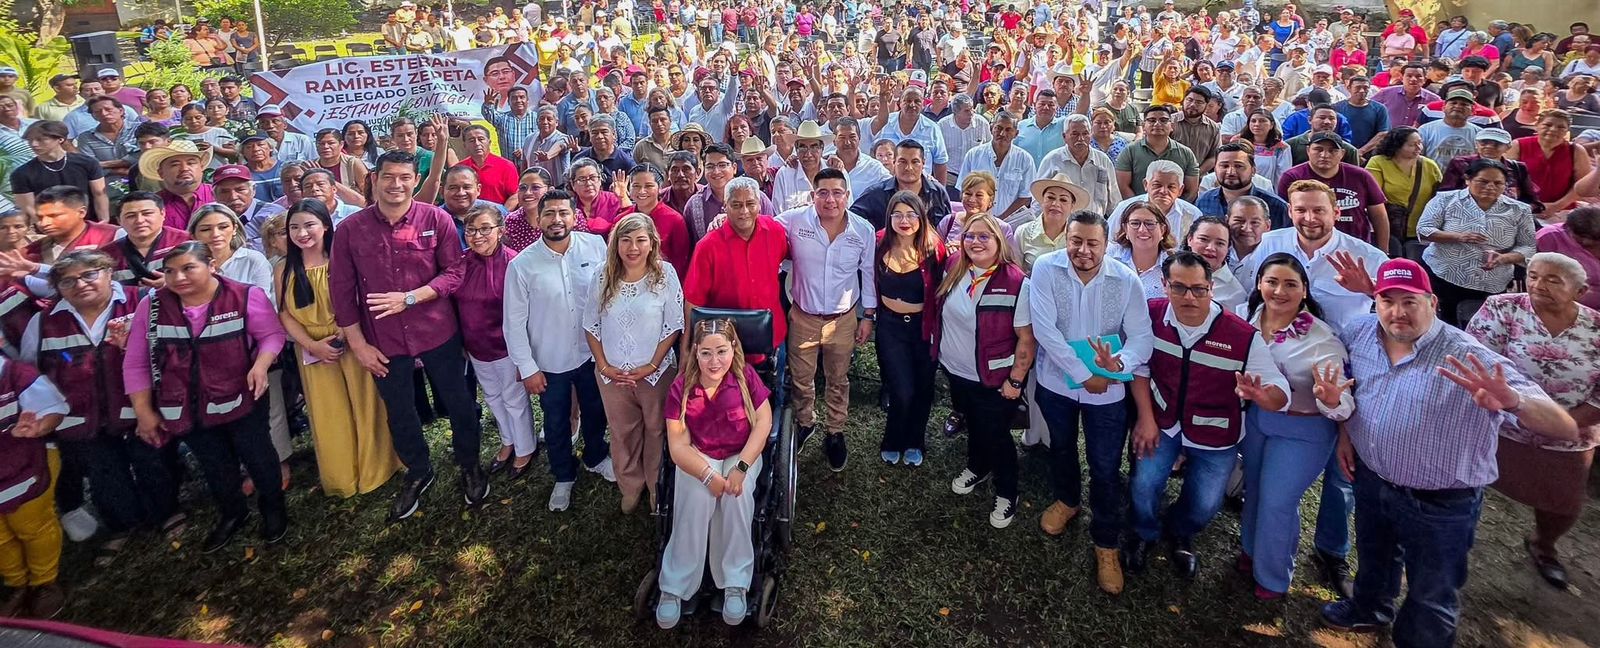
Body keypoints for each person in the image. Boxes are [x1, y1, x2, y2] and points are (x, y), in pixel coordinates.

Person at [1319, 257, 1577, 646]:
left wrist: (1513, 402)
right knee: (1375, 557)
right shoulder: (1359, 332)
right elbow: (1351, 391)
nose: (1398, 312)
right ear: (1375, 301)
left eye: (1410, 302)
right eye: (1388, 301)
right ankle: (1369, 609)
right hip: (1373, 480)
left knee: (1431, 593)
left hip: (1441, 503)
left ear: (1433, 303)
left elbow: (1564, 426)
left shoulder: (1469, 357)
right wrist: (1344, 433)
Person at [328, 151, 488, 521]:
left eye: (404, 177)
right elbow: (341, 291)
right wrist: (359, 345)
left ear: (415, 180)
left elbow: (453, 273)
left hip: (438, 332)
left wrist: (412, 297)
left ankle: (469, 464)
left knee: (461, 405)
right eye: (388, 176)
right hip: (383, 341)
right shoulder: (352, 230)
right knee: (400, 412)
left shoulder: (437, 219)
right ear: (374, 179)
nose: (396, 184)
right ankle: (419, 470)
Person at [1125, 250, 1290, 580]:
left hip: (1217, 434)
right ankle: (1143, 532)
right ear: (1164, 285)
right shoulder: (1150, 317)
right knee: (1143, 484)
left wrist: (1262, 395)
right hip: (1162, 423)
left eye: (1198, 289)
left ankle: (1180, 530)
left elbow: (1279, 390)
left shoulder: (1242, 337)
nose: (1189, 297)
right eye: (1178, 288)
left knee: (1204, 505)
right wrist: (1144, 417)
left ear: (1212, 288)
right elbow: (1139, 366)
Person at [123, 241, 286, 552]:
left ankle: (274, 506)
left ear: (212, 266)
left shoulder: (243, 295)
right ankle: (232, 512)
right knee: (214, 462)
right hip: (184, 401)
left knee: (258, 454)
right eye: (170, 272)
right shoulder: (152, 306)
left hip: (242, 393)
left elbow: (271, 334)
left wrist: (261, 365)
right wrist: (143, 410)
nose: (179, 278)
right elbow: (136, 360)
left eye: (188, 268)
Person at [1029, 209, 1151, 593]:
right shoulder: (1047, 270)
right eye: (1075, 241)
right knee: (1061, 447)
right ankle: (1067, 500)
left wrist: (1117, 365)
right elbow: (1045, 330)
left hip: (1109, 391)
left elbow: (1142, 337)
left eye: (1092, 243)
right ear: (1065, 238)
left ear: (1107, 243)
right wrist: (1085, 375)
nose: (1082, 250)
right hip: (1057, 384)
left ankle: (1105, 542)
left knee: (1104, 464)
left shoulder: (1125, 279)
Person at [1460, 254, 1597, 590]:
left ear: (1581, 291)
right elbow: (1476, 358)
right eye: (1534, 276)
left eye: (1553, 280)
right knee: (1463, 484)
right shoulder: (1502, 308)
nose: (1538, 285)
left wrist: (1558, 422)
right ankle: (1455, 537)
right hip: (1500, 422)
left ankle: (1544, 545)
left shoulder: (1596, 329)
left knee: (1564, 501)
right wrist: (1520, 413)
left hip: (1570, 432)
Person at [1236, 253, 1354, 600]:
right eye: (1271, 281)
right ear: (1259, 284)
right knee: (1254, 489)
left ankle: (1273, 577)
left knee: (1277, 500)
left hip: (1305, 430)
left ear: (1304, 291)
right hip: (1258, 420)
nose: (1279, 291)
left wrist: (1330, 397)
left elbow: (1342, 401)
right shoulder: (1247, 317)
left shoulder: (1322, 339)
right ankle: (1251, 550)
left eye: (1290, 284)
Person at [653, 317, 773, 629]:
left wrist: (741, 468)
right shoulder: (682, 387)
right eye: (706, 353)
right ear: (694, 352)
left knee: (737, 497)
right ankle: (675, 585)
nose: (714, 361)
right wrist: (708, 476)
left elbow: (764, 424)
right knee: (694, 498)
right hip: (699, 455)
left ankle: (735, 581)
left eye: (721, 351)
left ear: (734, 348)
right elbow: (677, 445)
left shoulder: (746, 378)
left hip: (740, 453)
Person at [275, 199, 399, 497]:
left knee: (364, 402)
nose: (302, 233)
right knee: (328, 412)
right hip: (313, 349)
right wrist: (311, 345)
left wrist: (346, 336)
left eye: (309, 225)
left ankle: (376, 467)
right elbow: (284, 314)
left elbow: (357, 299)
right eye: (294, 227)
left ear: (326, 226)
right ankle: (342, 474)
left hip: (350, 338)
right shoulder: (283, 268)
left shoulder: (341, 259)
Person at [503, 189, 616, 511]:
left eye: (563, 213)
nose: (557, 220)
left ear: (574, 216)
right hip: (549, 362)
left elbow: (609, 293)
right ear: (538, 219)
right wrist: (528, 368)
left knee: (596, 413)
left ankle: (595, 456)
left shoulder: (595, 246)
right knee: (555, 422)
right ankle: (563, 475)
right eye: (549, 213)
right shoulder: (523, 265)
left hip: (591, 355)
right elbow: (513, 323)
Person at [933, 212, 1035, 529]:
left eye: (983, 236)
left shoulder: (1016, 281)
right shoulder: (954, 268)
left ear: (998, 241)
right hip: (956, 370)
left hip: (995, 379)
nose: (975, 241)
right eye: (969, 235)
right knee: (974, 425)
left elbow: (1026, 340)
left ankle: (1007, 491)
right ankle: (978, 466)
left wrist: (1015, 381)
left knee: (996, 434)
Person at [583, 213, 684, 512]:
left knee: (655, 429)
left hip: (654, 373)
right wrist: (604, 366)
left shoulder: (665, 274)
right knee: (622, 430)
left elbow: (674, 323)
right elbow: (591, 324)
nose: (633, 247)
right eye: (625, 240)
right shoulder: (603, 275)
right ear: (615, 244)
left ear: (652, 243)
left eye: (641, 240)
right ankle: (630, 484)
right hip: (611, 372)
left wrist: (652, 365)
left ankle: (655, 484)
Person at [781, 168, 874, 471]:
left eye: (837, 192)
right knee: (801, 378)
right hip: (803, 316)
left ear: (847, 196)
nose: (830, 199)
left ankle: (835, 431)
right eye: (823, 192)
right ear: (813, 196)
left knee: (838, 379)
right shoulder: (795, 221)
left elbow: (869, 274)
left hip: (843, 318)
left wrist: (868, 316)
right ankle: (805, 422)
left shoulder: (862, 231)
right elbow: (760, 227)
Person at [449, 204, 538, 481]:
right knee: (493, 397)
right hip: (476, 347)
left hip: (507, 347)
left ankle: (525, 447)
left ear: (500, 231)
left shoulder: (516, 263)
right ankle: (507, 440)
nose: (477, 236)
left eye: (485, 229)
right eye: (472, 230)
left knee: (514, 398)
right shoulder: (461, 263)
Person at [1416, 159, 1538, 326]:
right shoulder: (1445, 200)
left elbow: (1528, 247)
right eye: (1483, 181)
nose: (1490, 187)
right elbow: (1424, 230)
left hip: (1492, 281)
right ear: (1468, 179)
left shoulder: (1519, 210)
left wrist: (1503, 258)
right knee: (1442, 323)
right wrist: (1457, 237)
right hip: (1444, 274)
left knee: (1483, 327)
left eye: (1498, 183)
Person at [874, 192, 945, 466]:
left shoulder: (933, 248)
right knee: (901, 389)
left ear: (921, 217)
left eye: (911, 214)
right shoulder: (879, 242)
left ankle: (916, 440)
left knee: (923, 389)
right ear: (890, 217)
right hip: (891, 327)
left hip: (923, 328)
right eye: (898, 214)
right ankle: (893, 438)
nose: (905, 221)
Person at [0, 348, 68, 617]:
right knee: (1, 536)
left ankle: (44, 581)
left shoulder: (15, 375)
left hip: (26, 466)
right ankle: (15, 582)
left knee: (32, 526)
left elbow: (53, 407)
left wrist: (40, 426)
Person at [1276, 133, 1389, 248]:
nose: (1325, 155)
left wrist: (1383, 252)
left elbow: (1379, 216)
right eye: (1318, 149)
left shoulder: (1361, 176)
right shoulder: (1292, 177)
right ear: (1308, 150)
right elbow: (1284, 217)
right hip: (1308, 247)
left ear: (1342, 153)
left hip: (1356, 246)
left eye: (1333, 150)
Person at [11, 121, 110, 223]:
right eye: (30, 140)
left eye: (41, 139)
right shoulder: (22, 173)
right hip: (50, 225)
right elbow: (28, 207)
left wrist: (103, 220)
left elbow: (99, 193)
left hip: (87, 221)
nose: (34, 144)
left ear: (60, 139)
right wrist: (44, 225)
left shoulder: (87, 163)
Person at [1365, 127, 1443, 249]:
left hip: (1420, 230)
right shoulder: (1378, 162)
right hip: (1388, 228)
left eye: (1420, 143)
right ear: (1397, 146)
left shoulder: (1430, 165)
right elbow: (1372, 197)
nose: (1419, 148)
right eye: (1412, 145)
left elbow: (1439, 198)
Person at [851, 140, 953, 231]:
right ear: (894, 162)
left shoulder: (937, 192)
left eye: (915, 162)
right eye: (902, 162)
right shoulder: (876, 193)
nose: (909, 168)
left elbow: (948, 227)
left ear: (923, 163)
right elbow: (852, 219)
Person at [1034, 114, 1122, 215]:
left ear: (1090, 135)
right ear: (1064, 137)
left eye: (1085, 134)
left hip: (1094, 224)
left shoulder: (1103, 161)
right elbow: (1039, 200)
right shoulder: (1052, 160)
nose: (1081, 139)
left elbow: (1114, 201)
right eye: (1075, 134)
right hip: (1063, 226)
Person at [1508, 110, 1591, 214]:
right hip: (1522, 208)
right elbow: (1508, 180)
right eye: (1548, 125)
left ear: (1567, 131)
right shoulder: (1518, 145)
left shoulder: (1576, 151)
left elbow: (1582, 187)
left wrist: (1556, 206)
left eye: (1561, 127)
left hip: (1563, 211)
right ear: (1537, 125)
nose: (1553, 130)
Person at [958, 111, 1035, 221]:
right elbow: (963, 189)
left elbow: (1025, 197)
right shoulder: (974, 155)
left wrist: (1000, 219)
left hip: (1010, 223)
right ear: (991, 128)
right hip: (976, 219)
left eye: (1008, 130)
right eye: (998, 128)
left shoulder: (1025, 159)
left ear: (1016, 134)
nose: (1002, 133)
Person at [99, 191, 187, 287]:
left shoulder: (185, 242)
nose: (139, 221)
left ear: (163, 214)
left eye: (147, 213)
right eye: (131, 216)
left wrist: (173, 283)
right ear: (119, 221)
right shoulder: (105, 255)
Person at [1115, 104, 1200, 201]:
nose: (1157, 124)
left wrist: (1173, 209)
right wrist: (1140, 208)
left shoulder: (1186, 153)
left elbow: (1191, 190)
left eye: (1163, 120)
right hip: (1138, 211)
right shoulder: (1129, 151)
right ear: (1143, 126)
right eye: (1152, 120)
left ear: (1171, 126)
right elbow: (1123, 186)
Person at [1197, 141, 1290, 228]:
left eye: (1238, 166)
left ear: (1253, 170)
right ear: (1215, 169)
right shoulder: (1204, 200)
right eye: (1224, 166)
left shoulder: (1277, 206)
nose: (1231, 172)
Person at [1535, 206, 1600, 309]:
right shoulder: (1549, 236)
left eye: (1594, 239)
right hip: (1562, 304)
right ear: (1568, 228)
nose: (1587, 242)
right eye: (1582, 237)